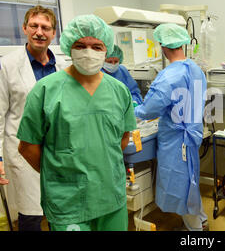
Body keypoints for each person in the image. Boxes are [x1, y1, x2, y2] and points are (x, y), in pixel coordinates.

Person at [16, 14, 136, 231]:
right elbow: (27, 147)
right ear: (69, 46)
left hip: (110, 196)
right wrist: (60, 173)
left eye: (97, 46)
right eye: (81, 45)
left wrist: (100, 166)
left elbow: (123, 137)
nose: (89, 52)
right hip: (67, 201)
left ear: (106, 49)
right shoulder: (46, 90)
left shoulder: (119, 91)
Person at [134, 23, 208, 231]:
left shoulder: (169, 76)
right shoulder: (195, 69)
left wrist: (131, 113)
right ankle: (201, 219)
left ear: (163, 46)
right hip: (192, 133)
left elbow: (149, 110)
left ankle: (195, 230)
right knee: (191, 180)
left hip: (177, 141)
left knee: (182, 185)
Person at [0, 5, 67, 231]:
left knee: (60, 206)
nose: (40, 32)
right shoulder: (7, 65)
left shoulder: (63, 66)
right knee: (30, 215)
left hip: (57, 148)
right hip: (23, 148)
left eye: (46, 27)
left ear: (54, 33)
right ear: (24, 28)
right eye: (34, 26)